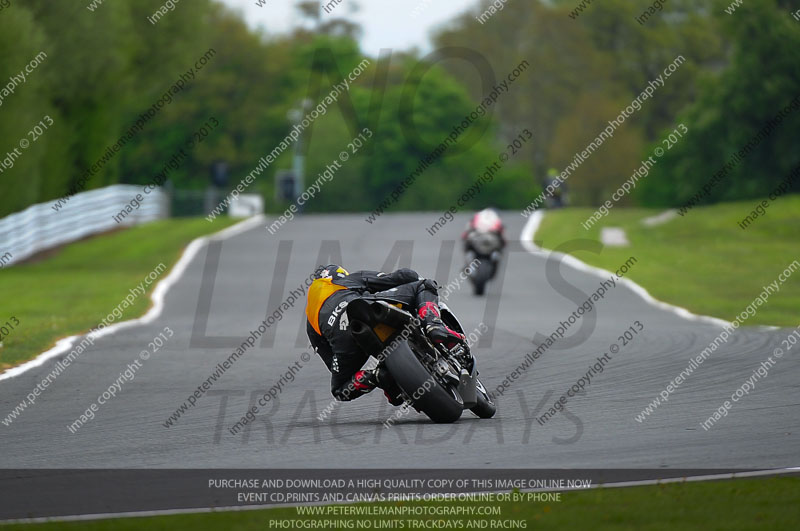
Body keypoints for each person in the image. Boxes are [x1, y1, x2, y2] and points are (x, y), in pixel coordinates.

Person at [305, 265, 465, 405]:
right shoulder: (344, 280)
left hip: (345, 340)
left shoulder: (310, 322)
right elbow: (399, 277)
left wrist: (344, 360)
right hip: (366, 309)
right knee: (424, 285)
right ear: (340, 274)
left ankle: (377, 376)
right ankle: (433, 324)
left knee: (340, 389)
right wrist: (414, 278)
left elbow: (330, 361)